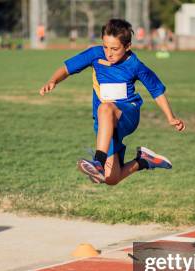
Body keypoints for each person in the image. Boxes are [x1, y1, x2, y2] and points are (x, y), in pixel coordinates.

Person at [39, 19, 185, 185]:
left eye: (115, 49)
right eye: (105, 46)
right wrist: (53, 81)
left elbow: (157, 91)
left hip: (127, 115)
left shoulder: (135, 65)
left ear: (128, 46)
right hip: (104, 124)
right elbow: (66, 68)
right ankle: (144, 160)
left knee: (105, 107)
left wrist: (171, 117)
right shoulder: (95, 54)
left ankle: (98, 162)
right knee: (111, 178)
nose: (109, 53)